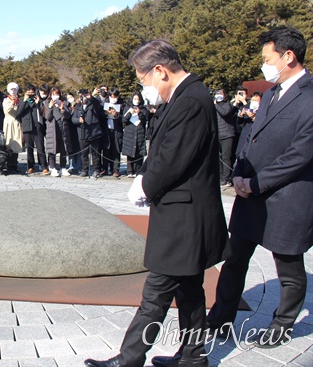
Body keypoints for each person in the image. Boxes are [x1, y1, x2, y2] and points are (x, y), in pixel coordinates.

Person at [85, 39, 228, 367]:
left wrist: (145, 185)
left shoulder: (191, 100)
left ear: (160, 71)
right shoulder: (188, 95)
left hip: (184, 217)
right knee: (190, 288)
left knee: (156, 293)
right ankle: (193, 356)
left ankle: (130, 359)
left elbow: (173, 158)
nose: (144, 87)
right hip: (184, 211)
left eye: (144, 79)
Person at [207, 26, 313, 349]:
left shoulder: (309, 97)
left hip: (286, 197)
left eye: (268, 58)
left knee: (289, 269)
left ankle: (281, 324)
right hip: (251, 196)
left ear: (288, 56)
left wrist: (256, 183)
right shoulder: (270, 93)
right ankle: (221, 317)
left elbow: (300, 154)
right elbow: (252, 139)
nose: (264, 65)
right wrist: (239, 171)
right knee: (235, 257)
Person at [71, 89, 105, 178]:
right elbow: (73, 118)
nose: (83, 97)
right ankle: (84, 170)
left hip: (94, 132)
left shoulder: (93, 104)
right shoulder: (78, 106)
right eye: (82, 96)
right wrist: (78, 120)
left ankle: (96, 170)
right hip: (82, 133)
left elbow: (99, 107)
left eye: (85, 95)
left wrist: (91, 97)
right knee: (84, 154)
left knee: (95, 153)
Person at [15, 84, 48, 174]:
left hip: (37, 127)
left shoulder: (38, 101)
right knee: (29, 148)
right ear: (25, 93)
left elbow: (43, 113)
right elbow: (18, 113)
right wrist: (25, 101)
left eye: (32, 92)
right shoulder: (22, 101)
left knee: (40, 147)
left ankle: (44, 166)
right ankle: (30, 166)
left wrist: (37, 104)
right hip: (27, 127)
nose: (30, 94)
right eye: (28, 92)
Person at [44, 87, 72, 177]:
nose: (55, 96)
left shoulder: (65, 103)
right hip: (52, 128)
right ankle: (52, 167)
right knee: (52, 149)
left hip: (63, 128)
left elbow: (68, 116)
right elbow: (48, 117)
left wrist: (62, 108)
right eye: (53, 94)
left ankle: (63, 167)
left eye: (57, 94)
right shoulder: (46, 103)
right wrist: (50, 108)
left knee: (63, 148)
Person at [121, 92, 148, 178]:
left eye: (138, 99)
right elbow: (123, 120)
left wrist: (139, 113)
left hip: (140, 132)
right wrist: (130, 113)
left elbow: (145, 120)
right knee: (130, 151)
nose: (136, 101)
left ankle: (138, 170)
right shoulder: (127, 107)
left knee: (138, 152)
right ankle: (129, 171)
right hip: (130, 132)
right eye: (135, 99)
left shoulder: (143, 109)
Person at [214, 89, 236, 187]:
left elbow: (224, 113)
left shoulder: (227, 105)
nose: (218, 95)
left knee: (226, 157)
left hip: (227, 134)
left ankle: (225, 178)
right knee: (218, 157)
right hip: (217, 134)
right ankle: (219, 176)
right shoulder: (214, 106)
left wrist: (216, 105)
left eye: (220, 94)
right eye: (216, 94)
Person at [101, 87, 124, 177]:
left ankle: (115, 169)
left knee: (116, 150)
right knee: (106, 149)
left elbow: (124, 119)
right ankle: (105, 168)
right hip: (107, 129)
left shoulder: (121, 104)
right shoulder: (104, 104)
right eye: (112, 96)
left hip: (117, 130)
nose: (113, 98)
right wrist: (105, 114)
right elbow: (100, 116)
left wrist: (117, 115)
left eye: (115, 96)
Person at [2, 82, 23, 172]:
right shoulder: (6, 100)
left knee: (17, 143)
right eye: (11, 89)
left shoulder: (20, 101)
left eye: (15, 89)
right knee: (8, 143)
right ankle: (8, 164)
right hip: (8, 123)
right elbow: (7, 110)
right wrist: (13, 102)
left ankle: (14, 164)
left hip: (17, 123)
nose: (13, 91)